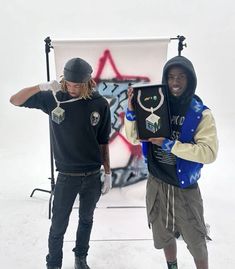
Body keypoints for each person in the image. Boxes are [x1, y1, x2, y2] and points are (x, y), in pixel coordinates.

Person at [10, 57, 112, 269]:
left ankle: (80, 257)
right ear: (64, 80)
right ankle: (54, 263)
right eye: (70, 84)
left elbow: (103, 142)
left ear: (87, 82)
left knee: (86, 220)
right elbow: (15, 100)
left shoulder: (99, 104)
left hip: (92, 175)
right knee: (58, 226)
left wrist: (108, 173)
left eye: (78, 85)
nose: (73, 88)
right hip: (67, 177)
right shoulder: (53, 98)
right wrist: (40, 86)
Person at [124, 55, 218, 269]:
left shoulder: (200, 113)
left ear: (190, 80)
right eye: (171, 77)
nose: (175, 82)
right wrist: (132, 109)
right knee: (163, 233)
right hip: (157, 182)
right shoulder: (155, 104)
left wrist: (169, 144)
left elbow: (209, 153)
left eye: (182, 77)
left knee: (196, 241)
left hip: (185, 187)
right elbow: (133, 137)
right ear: (165, 79)